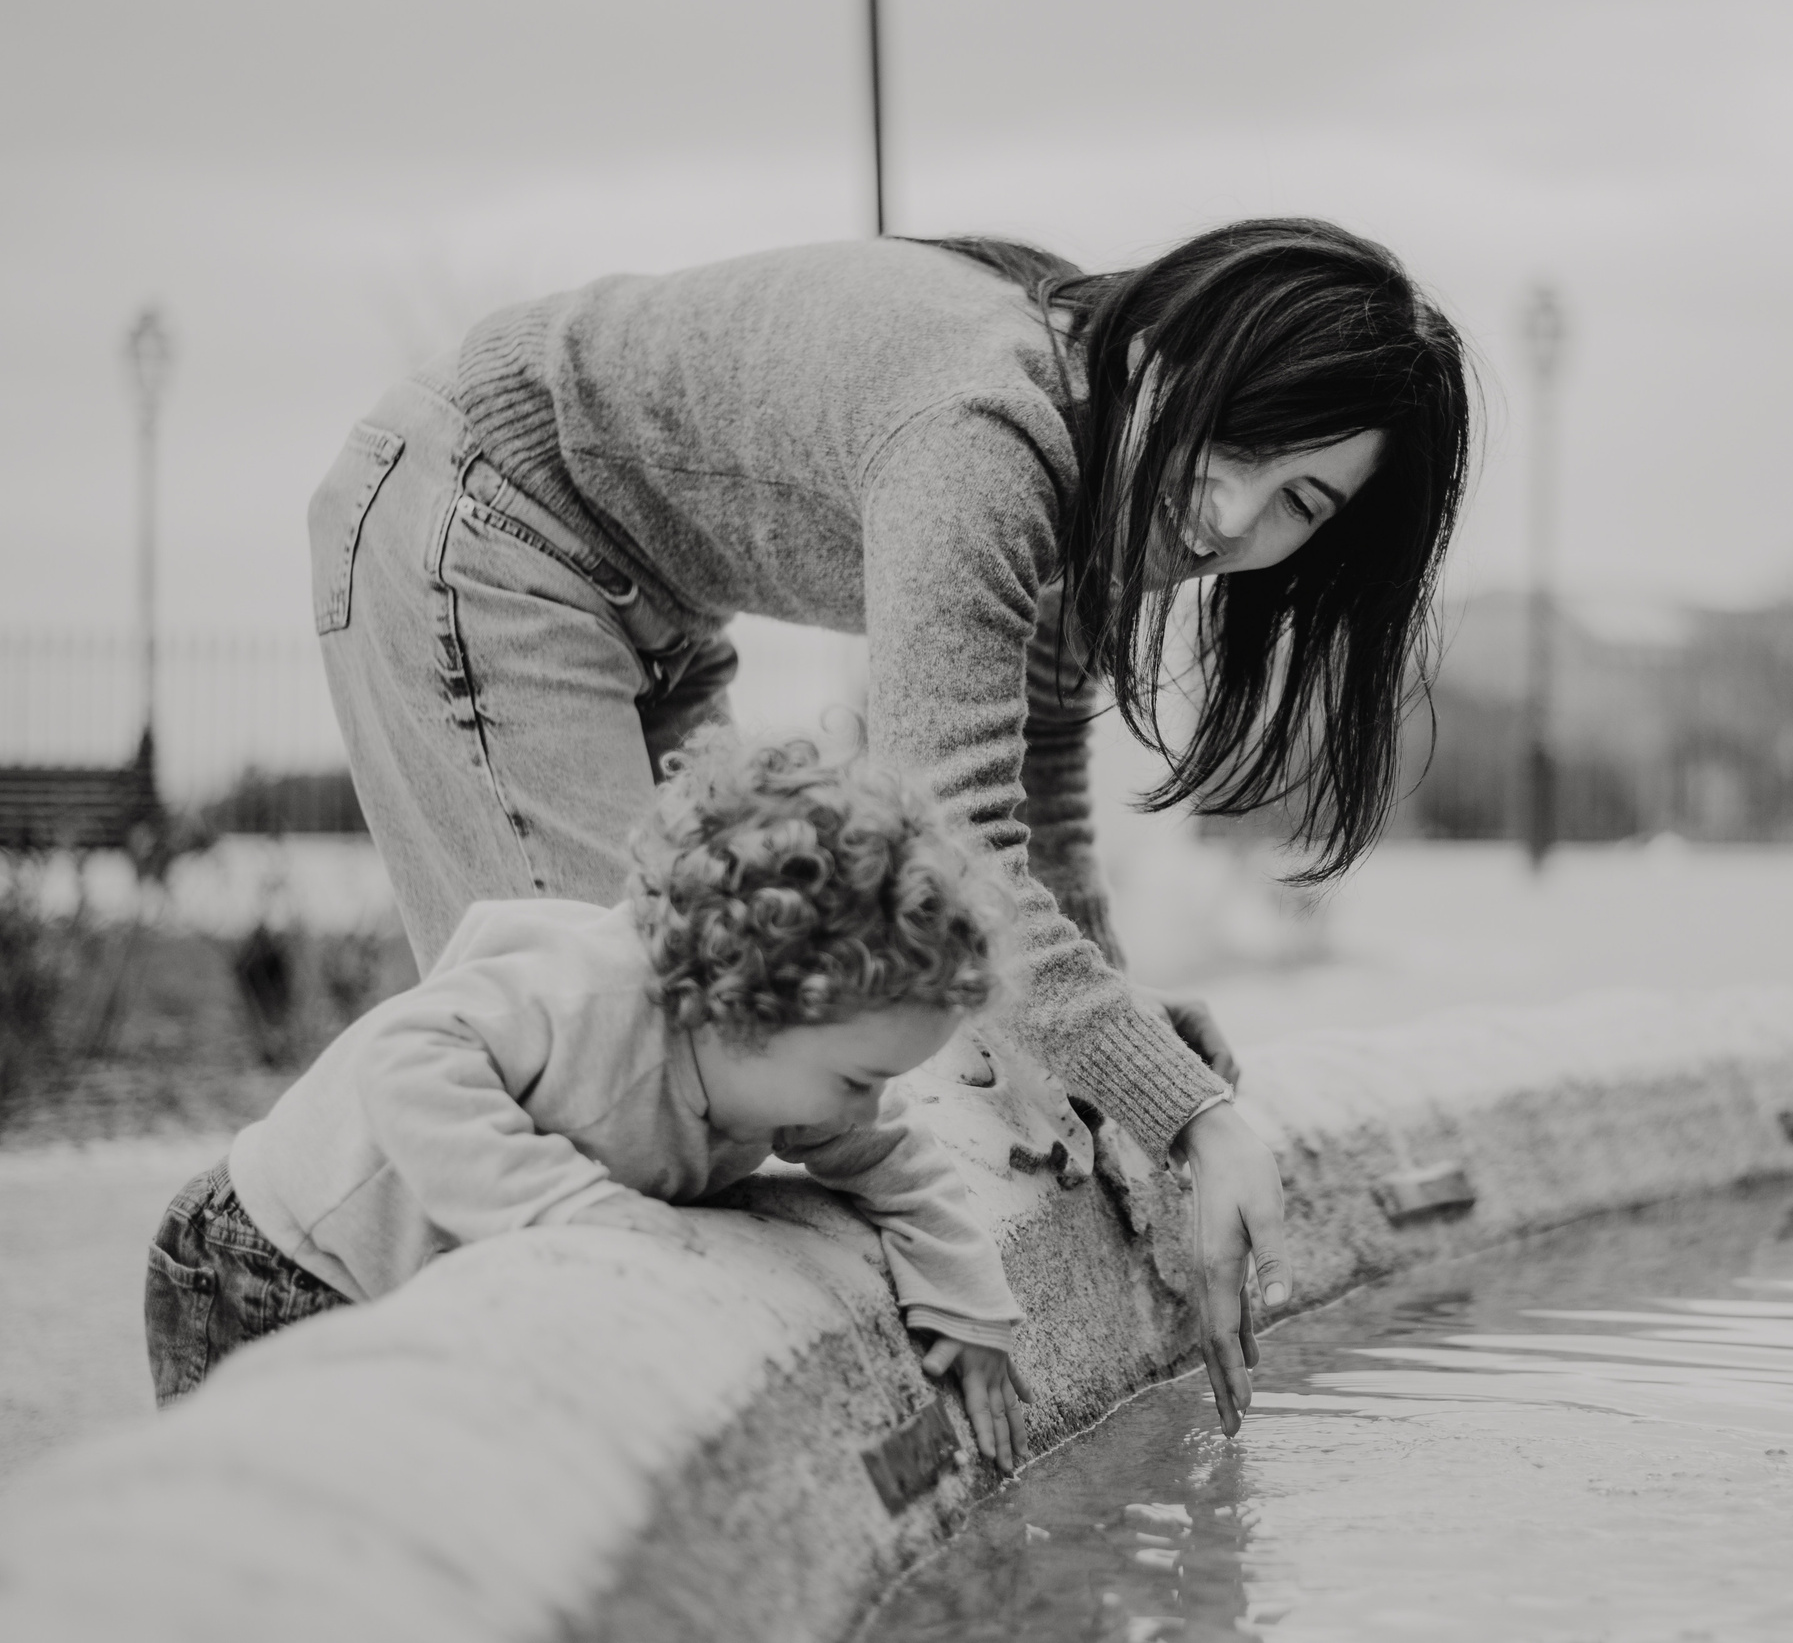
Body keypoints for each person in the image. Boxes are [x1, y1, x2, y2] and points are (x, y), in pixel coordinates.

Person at [305, 217, 1474, 1436]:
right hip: (489, 526)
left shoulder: (1110, 474)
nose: (1230, 511)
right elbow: (956, 834)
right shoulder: (987, 423)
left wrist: (1117, 1072)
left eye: (1297, 497)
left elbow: (1035, 801)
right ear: (1179, 338)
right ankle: (360, 1392)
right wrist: (1192, 1111)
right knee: (616, 1084)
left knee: (718, 1070)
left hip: (653, 612)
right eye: (1238, 431)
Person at [144, 728, 1037, 1471]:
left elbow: (897, 1162)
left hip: (389, 1271)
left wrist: (969, 1305)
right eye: (859, 1078)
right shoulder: (598, 999)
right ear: (743, 1004)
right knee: (269, 1514)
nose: (870, 1105)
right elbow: (406, 1052)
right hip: (273, 1256)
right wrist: (572, 1204)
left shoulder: (798, 1065)